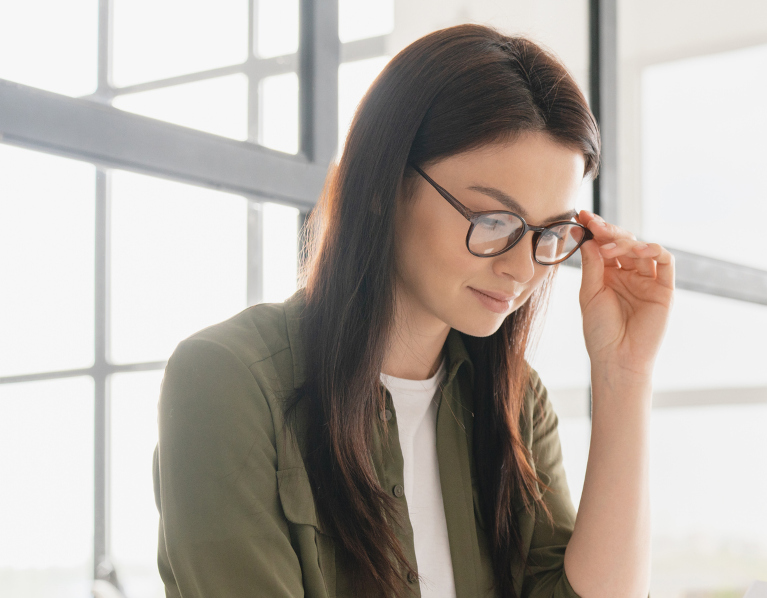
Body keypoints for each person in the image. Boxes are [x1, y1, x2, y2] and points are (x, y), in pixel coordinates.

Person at [153, 23, 673, 598]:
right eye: (493, 221)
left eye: (549, 233)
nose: (522, 269)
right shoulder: (227, 381)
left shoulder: (516, 402)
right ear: (382, 187)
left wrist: (625, 374)